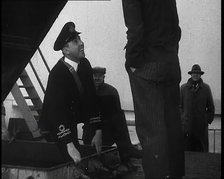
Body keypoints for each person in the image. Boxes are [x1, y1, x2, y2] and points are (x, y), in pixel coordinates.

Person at [122, 0, 185, 178]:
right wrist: (170, 54)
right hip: (170, 62)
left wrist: (133, 62)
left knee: (151, 130)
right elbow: (176, 28)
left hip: (147, 65)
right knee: (172, 126)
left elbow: (135, 30)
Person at [40, 22, 102, 164]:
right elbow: (56, 111)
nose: (81, 43)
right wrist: (69, 144)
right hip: (57, 125)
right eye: (75, 41)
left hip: (74, 117)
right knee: (72, 160)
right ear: (66, 50)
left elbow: (92, 98)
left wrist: (98, 131)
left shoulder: (85, 64)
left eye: (79, 39)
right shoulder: (57, 73)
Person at [82, 66, 142, 172]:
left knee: (118, 124)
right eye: (95, 76)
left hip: (108, 128)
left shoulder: (110, 92)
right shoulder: (86, 91)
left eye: (99, 76)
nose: (97, 78)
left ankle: (125, 158)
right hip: (91, 128)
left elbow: (116, 116)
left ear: (104, 77)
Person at [180, 64, 215, 152]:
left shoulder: (206, 88)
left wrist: (206, 120)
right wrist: (183, 119)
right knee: (186, 153)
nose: (196, 75)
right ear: (191, 74)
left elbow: (211, 107)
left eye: (198, 73)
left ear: (200, 75)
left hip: (201, 128)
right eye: (194, 73)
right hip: (187, 128)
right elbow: (179, 106)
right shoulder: (183, 88)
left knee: (201, 154)